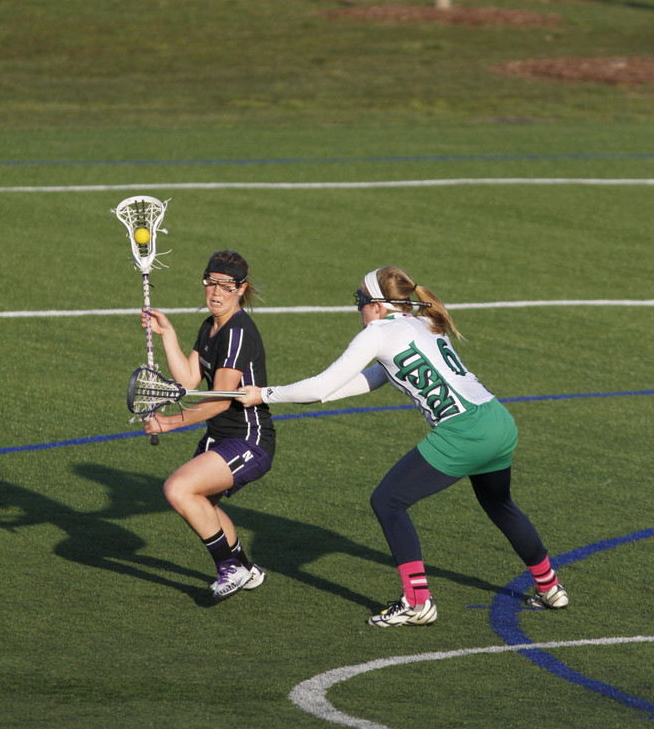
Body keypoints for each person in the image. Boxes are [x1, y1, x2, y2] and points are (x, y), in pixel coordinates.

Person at [237, 266, 568, 627]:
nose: (358, 309)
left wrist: (265, 394)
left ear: (377, 305)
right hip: (497, 420)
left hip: (465, 431)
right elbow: (372, 377)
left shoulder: (378, 333)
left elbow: (320, 386)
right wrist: (317, 396)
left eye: (360, 301)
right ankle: (550, 587)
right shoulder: (419, 321)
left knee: (388, 501)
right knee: (499, 503)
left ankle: (417, 602)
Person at [142, 249, 275, 601]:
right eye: (211, 283)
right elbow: (188, 378)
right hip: (220, 439)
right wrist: (167, 333)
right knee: (203, 505)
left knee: (179, 490)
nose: (216, 293)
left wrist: (169, 423)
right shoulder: (210, 327)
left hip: (249, 441)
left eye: (226, 287)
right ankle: (246, 569)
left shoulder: (238, 332)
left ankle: (229, 568)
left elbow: (219, 400)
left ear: (241, 289)